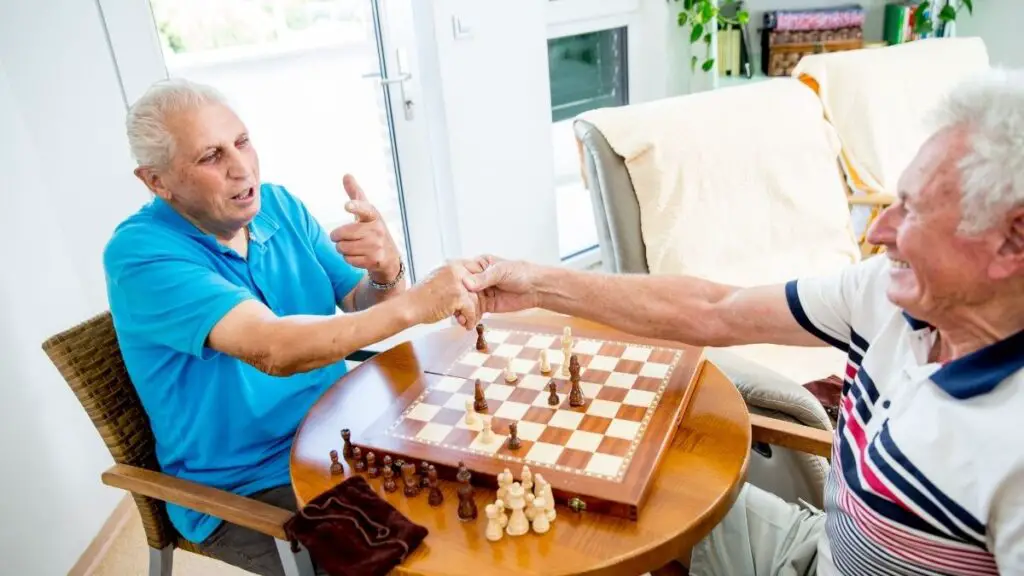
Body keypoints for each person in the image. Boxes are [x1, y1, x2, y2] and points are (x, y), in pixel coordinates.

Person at [465, 68, 1024, 575]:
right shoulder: (884, 291)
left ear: (1012, 240)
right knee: (606, 488)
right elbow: (713, 309)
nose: (878, 231)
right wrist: (536, 284)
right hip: (815, 549)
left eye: (914, 210)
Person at [103, 78, 481, 575]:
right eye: (211, 156)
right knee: (422, 566)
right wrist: (414, 305)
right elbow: (275, 350)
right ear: (157, 181)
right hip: (254, 480)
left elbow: (362, 302)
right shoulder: (141, 257)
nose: (242, 168)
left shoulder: (278, 206)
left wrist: (385, 271)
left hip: (343, 435)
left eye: (241, 142)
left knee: (480, 495)